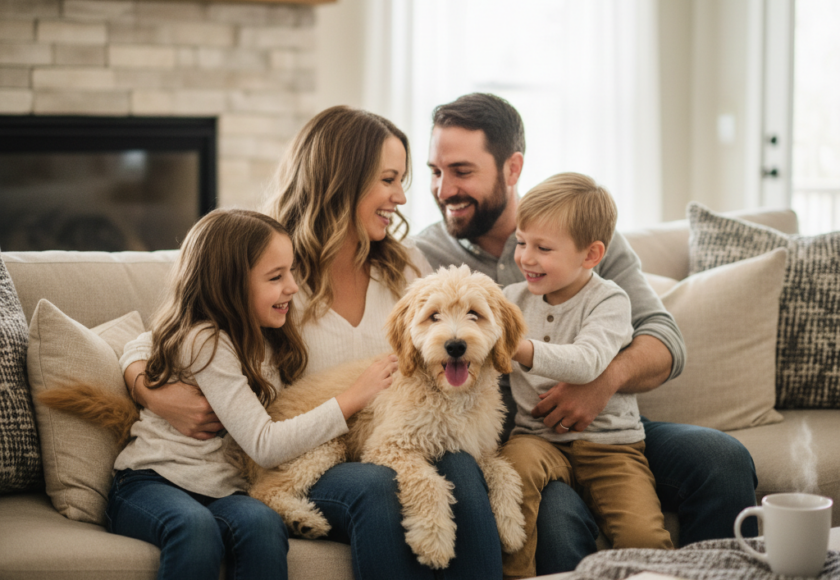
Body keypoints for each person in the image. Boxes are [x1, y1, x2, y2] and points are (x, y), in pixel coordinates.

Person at [124, 106, 506, 579]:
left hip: (392, 434)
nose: (402, 197)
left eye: (402, 179)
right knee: (376, 485)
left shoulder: (406, 267)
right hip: (315, 451)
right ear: (342, 180)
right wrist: (150, 392)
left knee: (465, 473)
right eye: (388, 180)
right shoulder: (272, 269)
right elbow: (160, 336)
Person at [414, 92, 759, 573]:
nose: (444, 189)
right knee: (556, 522)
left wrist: (601, 383)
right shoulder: (425, 254)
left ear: (512, 168)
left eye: (462, 171)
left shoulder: (583, 236)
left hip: (609, 426)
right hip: (525, 438)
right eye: (435, 171)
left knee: (721, 458)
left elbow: (664, 340)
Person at [112, 208, 388, 580]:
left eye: (290, 271)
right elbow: (264, 444)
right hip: (153, 481)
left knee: (262, 524)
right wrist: (353, 397)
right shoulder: (205, 340)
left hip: (226, 489)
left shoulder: (269, 338)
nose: (292, 286)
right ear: (228, 285)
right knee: (195, 529)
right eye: (276, 277)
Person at [499, 173, 673, 580]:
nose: (525, 257)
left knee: (643, 537)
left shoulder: (610, 300)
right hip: (537, 438)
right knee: (509, 478)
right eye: (522, 242)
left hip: (610, 446)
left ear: (591, 254)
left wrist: (520, 348)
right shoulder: (510, 299)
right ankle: (516, 575)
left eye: (543, 248)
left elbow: (588, 362)